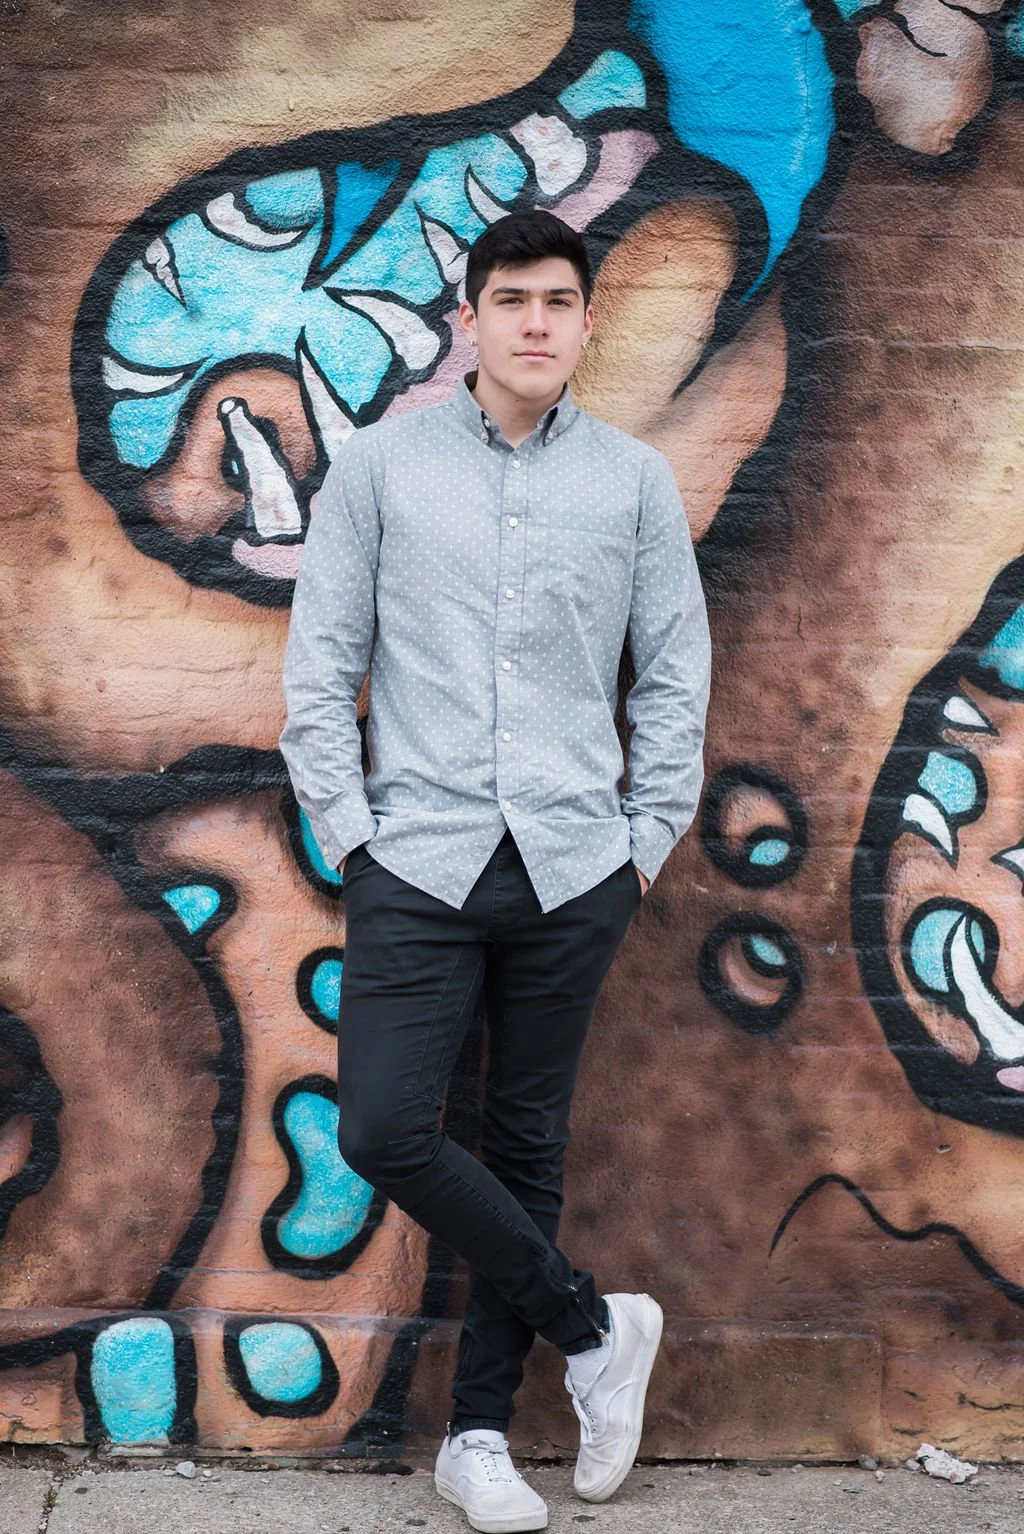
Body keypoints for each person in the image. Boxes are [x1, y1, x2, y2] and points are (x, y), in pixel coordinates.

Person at [280, 209, 710, 1533]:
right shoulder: (380, 467)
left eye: (558, 301)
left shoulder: (633, 481)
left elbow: (677, 673)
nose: (535, 321)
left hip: (576, 863)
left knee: (525, 1146)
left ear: (587, 323)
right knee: (388, 1127)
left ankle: (477, 1432)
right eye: (511, 298)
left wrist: (639, 845)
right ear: (468, 318)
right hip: (415, 856)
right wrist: (354, 832)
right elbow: (318, 667)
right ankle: (592, 1326)